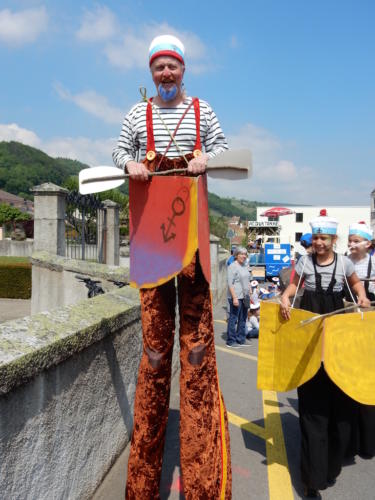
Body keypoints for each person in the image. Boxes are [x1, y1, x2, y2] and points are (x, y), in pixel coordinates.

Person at [112, 34, 231, 499]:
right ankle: (142, 485)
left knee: (197, 356)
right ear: (151, 72)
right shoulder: (135, 116)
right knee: (155, 355)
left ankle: (203, 484)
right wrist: (130, 166)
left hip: (194, 245)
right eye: (159, 67)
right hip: (152, 247)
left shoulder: (204, 111)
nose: (166, 74)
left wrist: (206, 159)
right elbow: (118, 154)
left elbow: (224, 150)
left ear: (183, 70)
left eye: (172, 67)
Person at [279, 209, 370, 499]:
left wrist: (363, 297)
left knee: (342, 417)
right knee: (313, 413)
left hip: (340, 336)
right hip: (311, 335)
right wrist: (284, 298)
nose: (319, 242)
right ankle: (311, 480)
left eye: (324, 238)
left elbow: (356, 286)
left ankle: (330, 468)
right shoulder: (304, 262)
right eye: (316, 237)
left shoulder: (344, 263)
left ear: (333, 239)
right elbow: (293, 287)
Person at [347, 221, 375, 459]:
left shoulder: (374, 265)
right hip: (347, 329)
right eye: (350, 240)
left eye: (356, 241)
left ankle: (366, 443)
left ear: (368, 243)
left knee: (367, 387)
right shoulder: (345, 264)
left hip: (369, 332)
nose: (352, 244)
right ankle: (348, 439)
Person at [226, 246, 251, 348]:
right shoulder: (232, 266)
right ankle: (231, 341)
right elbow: (230, 284)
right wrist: (235, 298)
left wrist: (250, 291)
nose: (243, 256)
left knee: (243, 318)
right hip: (236, 296)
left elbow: (248, 279)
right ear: (236, 255)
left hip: (245, 296)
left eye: (245, 254)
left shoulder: (245, 265)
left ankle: (241, 339)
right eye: (241, 254)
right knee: (233, 318)